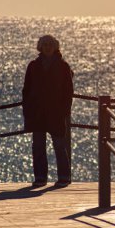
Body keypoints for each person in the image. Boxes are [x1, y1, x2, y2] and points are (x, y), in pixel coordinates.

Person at [22, 35, 74, 188]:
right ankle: (40, 177)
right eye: (44, 44)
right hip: (37, 112)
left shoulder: (63, 66)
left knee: (59, 145)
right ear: (40, 46)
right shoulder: (33, 65)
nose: (47, 47)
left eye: (50, 44)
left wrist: (65, 111)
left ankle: (64, 177)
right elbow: (26, 89)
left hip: (56, 113)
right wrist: (28, 110)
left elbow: (68, 90)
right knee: (38, 146)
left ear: (55, 46)